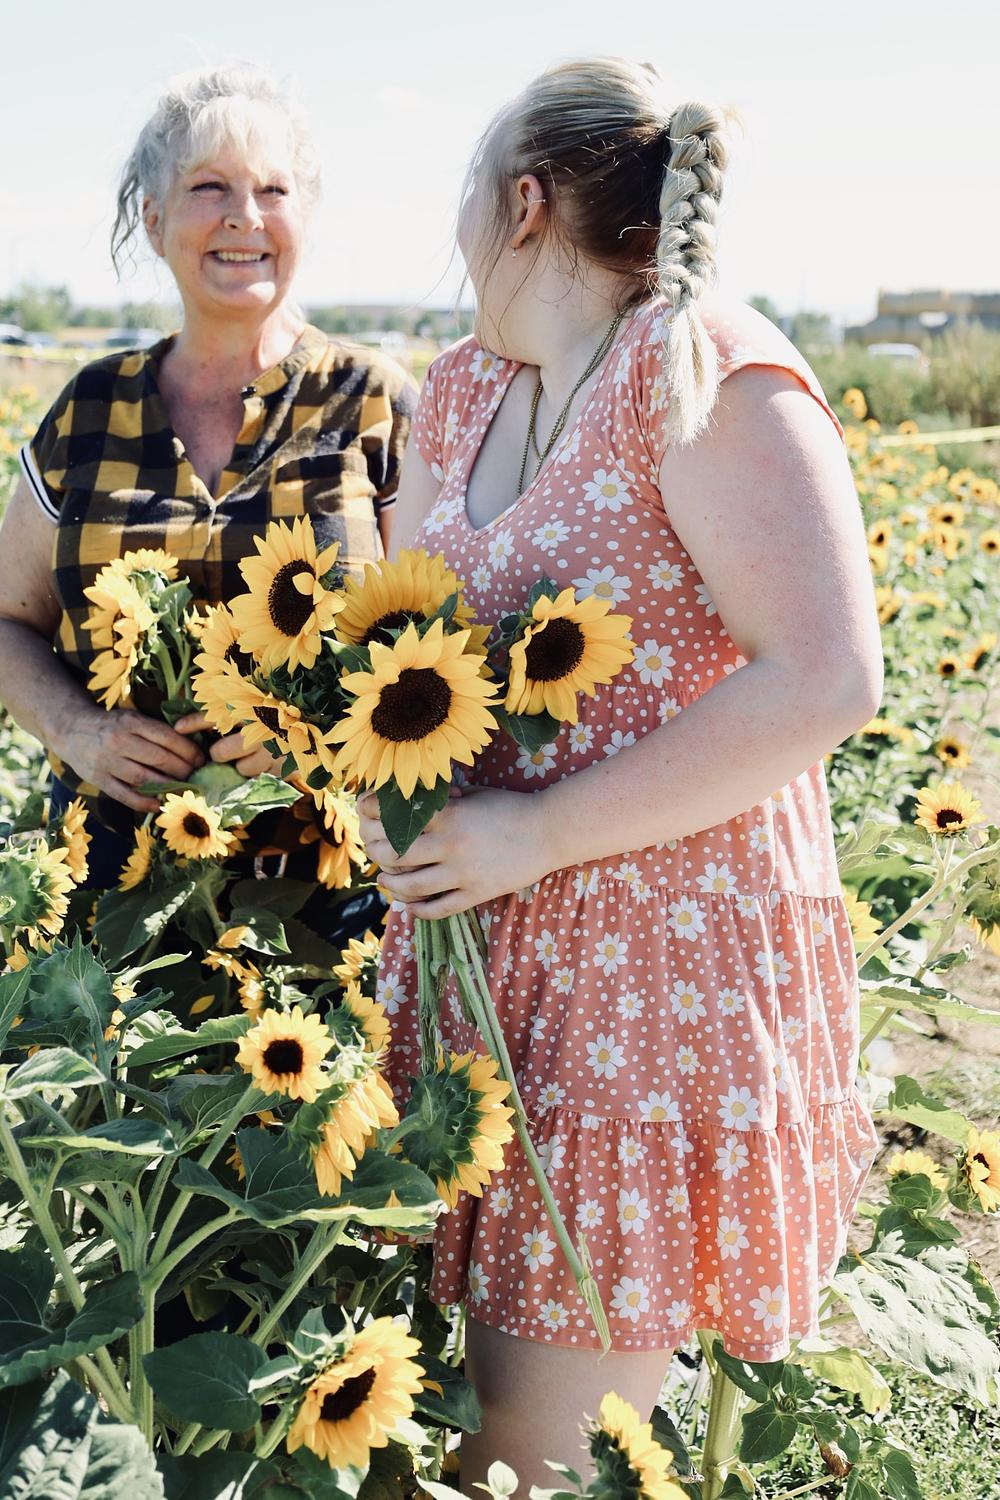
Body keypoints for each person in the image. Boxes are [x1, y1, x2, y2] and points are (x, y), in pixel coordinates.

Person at [357, 57, 884, 1490]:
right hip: (472, 952)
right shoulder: (461, 393)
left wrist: (539, 835)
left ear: (523, 203)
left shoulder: (697, 365)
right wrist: (385, 787)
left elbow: (827, 674)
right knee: (435, 1417)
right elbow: (396, 643)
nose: (456, 229)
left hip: (647, 982)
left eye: (468, 194)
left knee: (534, 1448)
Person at [0, 64, 417, 901]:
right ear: (153, 220)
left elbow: (437, 634)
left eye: (273, 190)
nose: (245, 215)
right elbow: (8, 619)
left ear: (305, 218)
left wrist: (315, 728)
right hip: (110, 890)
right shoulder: (89, 407)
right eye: (209, 187)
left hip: (329, 897)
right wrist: (77, 730)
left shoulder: (374, 402)